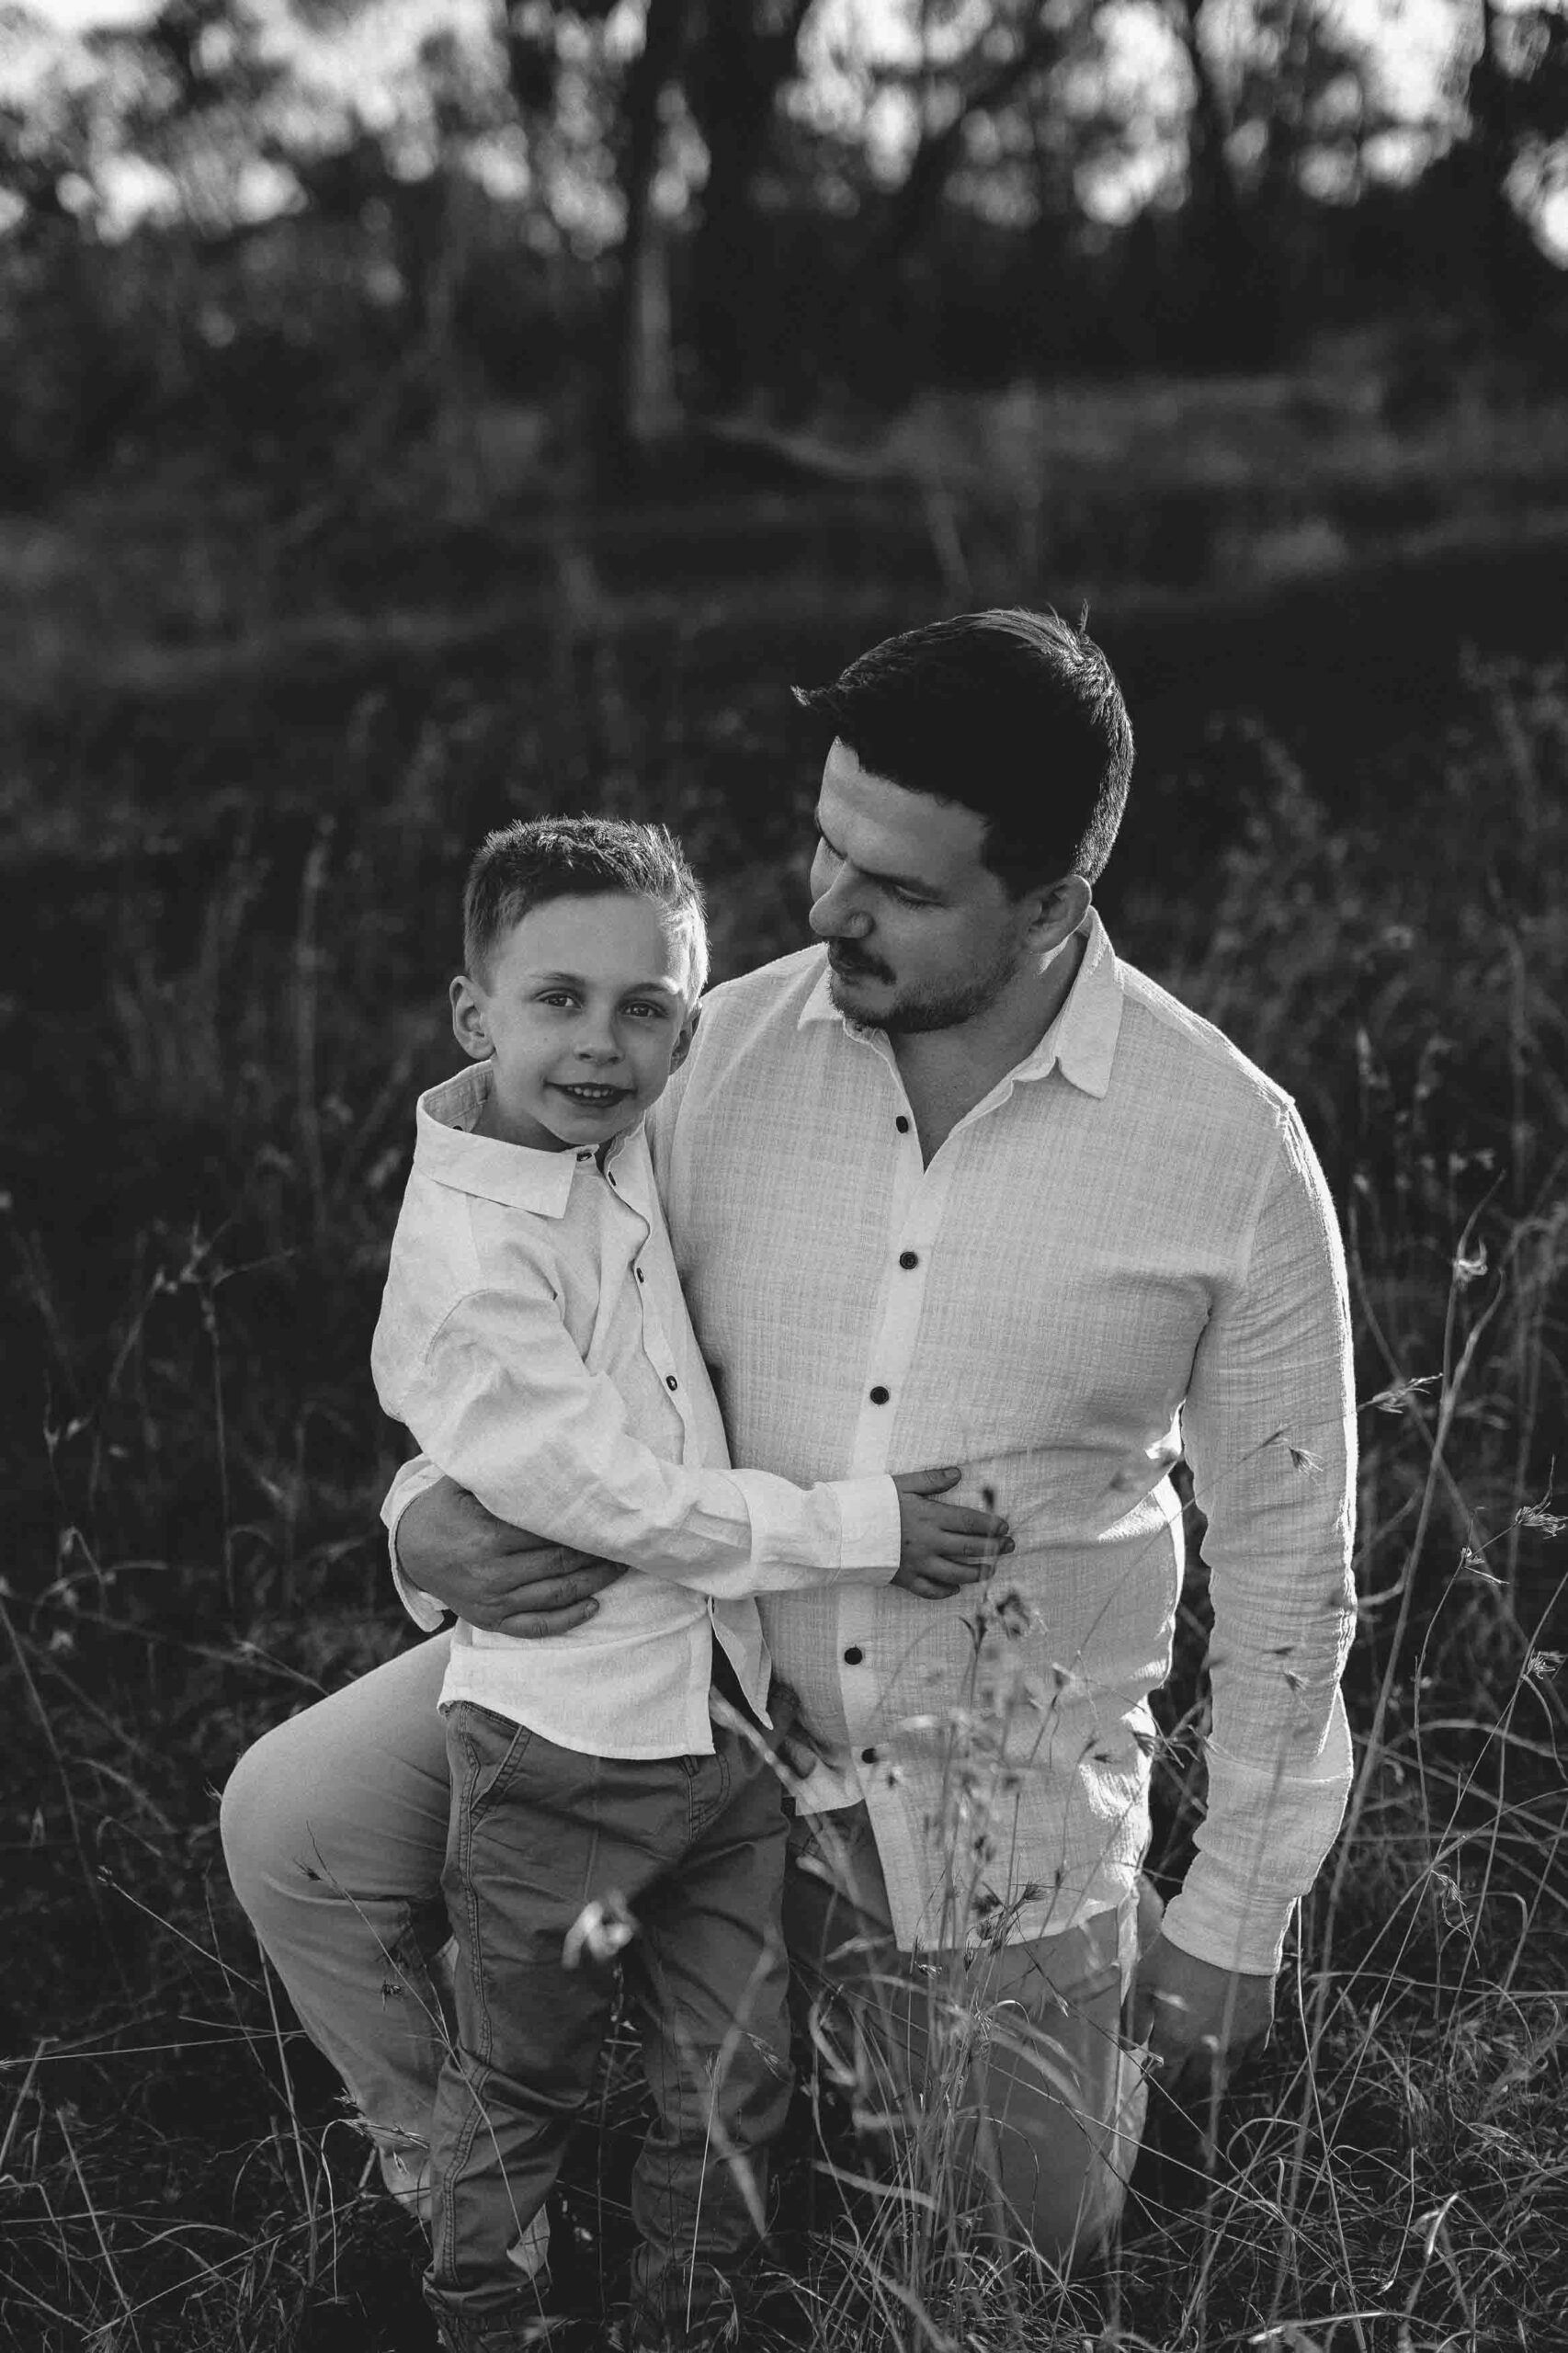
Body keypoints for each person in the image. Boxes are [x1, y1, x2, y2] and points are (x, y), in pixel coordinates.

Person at [223, 607, 1357, 2303]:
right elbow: (514, 1330)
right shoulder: (706, 1057)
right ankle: (485, 2186)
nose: (827, 906)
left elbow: (1291, 1563)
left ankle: (793, 2066)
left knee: (1000, 2261)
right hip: (664, 1677)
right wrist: (422, 1522)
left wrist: (1234, 1918)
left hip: (972, 1806)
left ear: (1052, 906)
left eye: (897, 887)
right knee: (292, 1823)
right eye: (827, 845)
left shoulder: (1225, 1151)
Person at [305, 813, 1008, 2353]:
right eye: (557, 1000)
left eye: (647, 1010)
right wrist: (864, 1529)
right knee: (527, 2076)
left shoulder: (602, 1152)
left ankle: (690, 2323)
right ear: (472, 1014)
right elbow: (613, 1500)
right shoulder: (474, 1258)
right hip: (566, 1761)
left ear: (687, 1031)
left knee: (732, 2077)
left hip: (720, 1742)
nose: (601, 1044)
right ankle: (486, 2318)